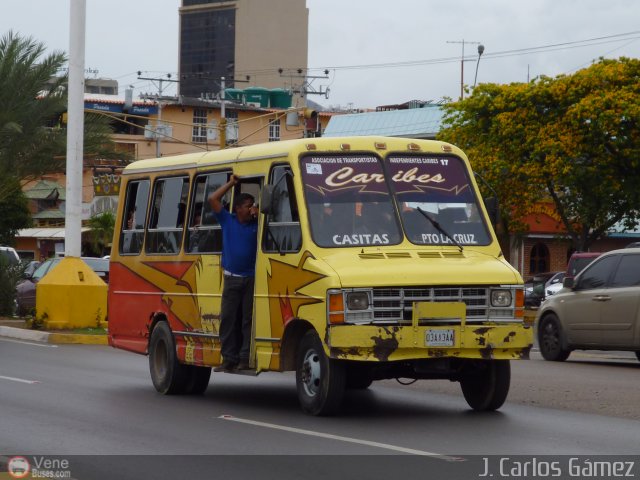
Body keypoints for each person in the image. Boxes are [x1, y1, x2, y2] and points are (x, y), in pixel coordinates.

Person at [208, 175, 259, 372]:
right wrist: (231, 183)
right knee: (228, 319)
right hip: (232, 278)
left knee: (247, 320)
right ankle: (228, 358)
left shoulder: (256, 224)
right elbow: (213, 199)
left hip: (251, 278)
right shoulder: (228, 220)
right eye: (247, 205)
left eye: (252, 205)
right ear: (237, 208)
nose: (250, 208)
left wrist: (259, 214)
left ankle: (244, 358)